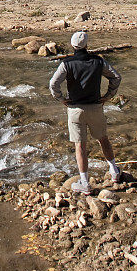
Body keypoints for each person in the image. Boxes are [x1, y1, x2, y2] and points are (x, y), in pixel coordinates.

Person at [49, 30, 122, 195]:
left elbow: (53, 84)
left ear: (73, 46)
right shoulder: (98, 61)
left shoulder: (66, 63)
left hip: (75, 109)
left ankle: (84, 182)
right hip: (96, 106)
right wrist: (108, 96)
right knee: (103, 139)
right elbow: (116, 77)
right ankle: (114, 171)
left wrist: (61, 99)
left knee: (80, 145)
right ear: (87, 45)